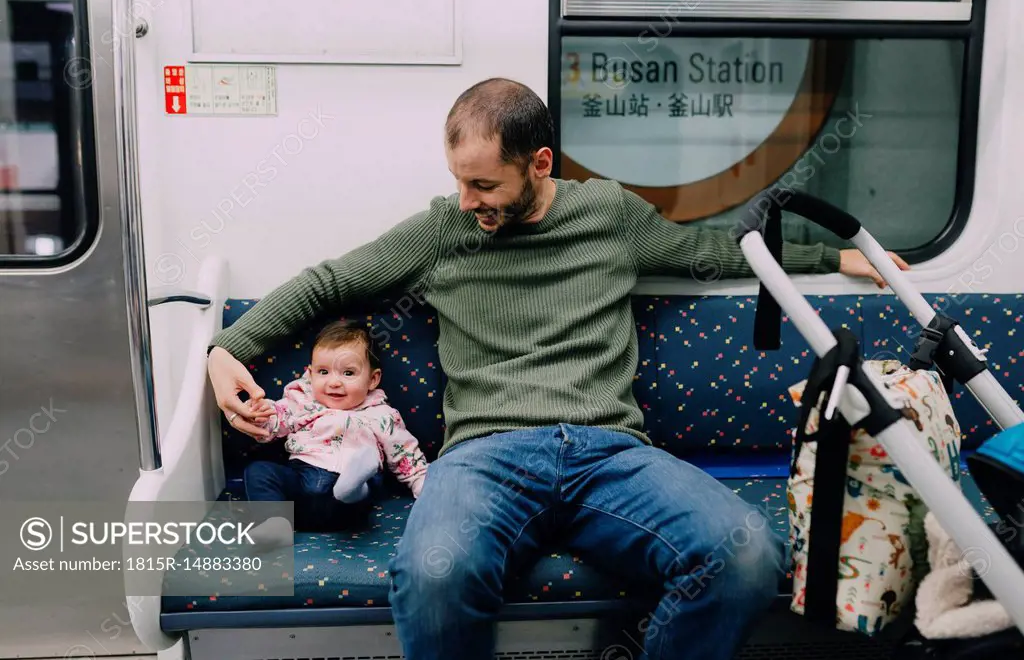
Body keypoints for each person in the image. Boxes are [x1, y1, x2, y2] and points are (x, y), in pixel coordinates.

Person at [207, 78, 910, 659]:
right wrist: (226, 349)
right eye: (458, 182)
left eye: (484, 184)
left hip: (608, 452)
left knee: (748, 555)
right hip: (486, 455)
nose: (467, 202)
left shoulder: (608, 214)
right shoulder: (443, 230)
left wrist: (835, 259)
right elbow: (330, 283)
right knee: (433, 575)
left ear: (540, 164)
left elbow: (709, 254)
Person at [241, 320, 428, 543]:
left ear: (372, 379)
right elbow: (275, 423)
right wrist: (261, 414)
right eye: (323, 372)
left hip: (346, 503)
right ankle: (275, 523)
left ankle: (353, 487)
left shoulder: (381, 415)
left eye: (348, 373)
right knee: (259, 471)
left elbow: (405, 454)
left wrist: (424, 486)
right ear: (310, 375)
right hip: (301, 484)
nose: (334, 382)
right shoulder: (301, 402)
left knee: (361, 486)